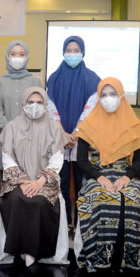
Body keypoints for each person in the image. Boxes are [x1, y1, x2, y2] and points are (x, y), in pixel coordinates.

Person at [75, 77, 140, 273]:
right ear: (98, 98)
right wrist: (98, 177)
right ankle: (101, 259)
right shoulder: (89, 124)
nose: (108, 98)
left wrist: (127, 177)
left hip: (126, 175)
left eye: (113, 94)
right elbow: (81, 160)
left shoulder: (133, 124)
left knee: (133, 201)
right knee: (102, 201)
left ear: (121, 95)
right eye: (103, 95)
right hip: (97, 176)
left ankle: (132, 258)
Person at [0, 87, 67, 269]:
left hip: (44, 181)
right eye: (30, 102)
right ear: (23, 104)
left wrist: (40, 181)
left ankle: (34, 251)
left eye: (39, 102)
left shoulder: (54, 127)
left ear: (45, 105)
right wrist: (22, 181)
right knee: (16, 199)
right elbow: (7, 157)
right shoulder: (12, 126)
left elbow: (57, 159)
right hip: (17, 181)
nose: (34, 106)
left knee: (40, 202)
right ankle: (19, 249)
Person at [46, 35, 101, 237]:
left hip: (83, 141)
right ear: (63, 52)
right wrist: (63, 134)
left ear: (83, 52)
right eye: (69, 50)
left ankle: (79, 225)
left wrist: (75, 133)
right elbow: (50, 107)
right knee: (61, 184)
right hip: (58, 139)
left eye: (76, 50)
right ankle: (63, 223)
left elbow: (91, 110)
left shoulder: (92, 79)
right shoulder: (54, 78)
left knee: (81, 184)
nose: (72, 54)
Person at [0, 41, 43, 194]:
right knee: (4, 185)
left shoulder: (35, 82)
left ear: (27, 57)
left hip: (29, 139)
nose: (17, 57)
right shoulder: (0, 82)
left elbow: (39, 110)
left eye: (21, 54)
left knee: (27, 183)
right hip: (4, 139)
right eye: (13, 54)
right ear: (7, 56)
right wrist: (13, 131)